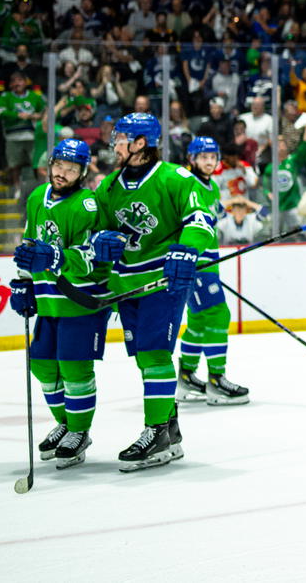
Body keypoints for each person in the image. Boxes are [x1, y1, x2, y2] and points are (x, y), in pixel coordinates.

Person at [89, 113, 218, 471]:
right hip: (126, 284)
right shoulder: (109, 187)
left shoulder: (174, 178)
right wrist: (101, 241)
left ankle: (157, 431)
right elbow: (95, 230)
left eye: (120, 139)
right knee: (145, 359)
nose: (114, 144)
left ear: (140, 143)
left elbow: (201, 221)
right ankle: (170, 430)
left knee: (156, 354)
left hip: (164, 280)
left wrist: (187, 248)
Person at [8, 139, 106, 469]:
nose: (62, 173)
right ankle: (66, 422)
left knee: (74, 365)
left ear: (81, 173)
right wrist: (23, 282)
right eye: (59, 166)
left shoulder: (88, 205)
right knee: (42, 363)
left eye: (71, 168)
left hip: (79, 299)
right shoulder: (37, 196)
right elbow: (28, 243)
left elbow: (92, 257)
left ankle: (79, 431)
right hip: (49, 300)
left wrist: (55, 256)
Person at [176, 136, 250, 407]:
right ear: (192, 159)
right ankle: (217, 381)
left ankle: (185, 376)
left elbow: (216, 214)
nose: (208, 161)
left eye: (212, 157)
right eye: (203, 156)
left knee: (198, 321)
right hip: (196, 264)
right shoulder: (187, 184)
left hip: (208, 262)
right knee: (219, 315)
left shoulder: (211, 188)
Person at [0, 73, 45, 201]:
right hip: (13, 137)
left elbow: (45, 111)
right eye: (14, 81)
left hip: (32, 137)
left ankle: (41, 189)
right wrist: (17, 115)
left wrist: (36, 116)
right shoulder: (5, 97)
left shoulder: (35, 96)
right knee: (14, 165)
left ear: (26, 82)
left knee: (37, 164)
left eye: (20, 80)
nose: (17, 83)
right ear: (11, 84)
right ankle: (17, 189)